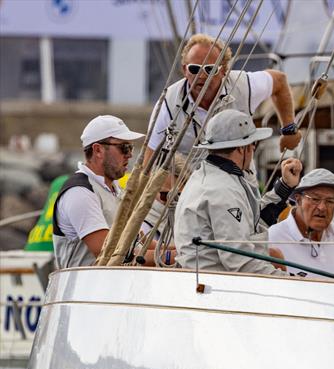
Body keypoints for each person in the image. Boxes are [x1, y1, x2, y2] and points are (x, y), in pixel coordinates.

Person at [144, 33, 301, 165]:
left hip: (238, 180)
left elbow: (279, 80)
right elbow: (149, 160)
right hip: (189, 184)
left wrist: (289, 129)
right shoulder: (167, 103)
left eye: (210, 69)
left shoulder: (244, 85)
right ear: (185, 70)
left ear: (224, 70)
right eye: (194, 69)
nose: (202, 76)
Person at [174, 109, 290, 274]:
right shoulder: (222, 190)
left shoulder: (208, 177)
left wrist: (284, 187)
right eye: (253, 144)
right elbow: (240, 262)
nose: (253, 149)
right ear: (242, 149)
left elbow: (253, 222)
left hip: (210, 281)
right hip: (219, 285)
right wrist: (290, 281)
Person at [52, 115, 171, 269]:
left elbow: (137, 241)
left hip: (114, 282)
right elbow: (108, 254)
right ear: (98, 150)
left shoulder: (114, 189)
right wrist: (170, 257)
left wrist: (182, 251)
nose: (130, 154)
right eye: (124, 148)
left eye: (131, 147)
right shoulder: (80, 193)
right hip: (88, 284)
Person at [268, 168, 334, 279]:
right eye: (315, 199)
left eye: (330, 201)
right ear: (298, 200)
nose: (322, 207)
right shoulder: (273, 238)